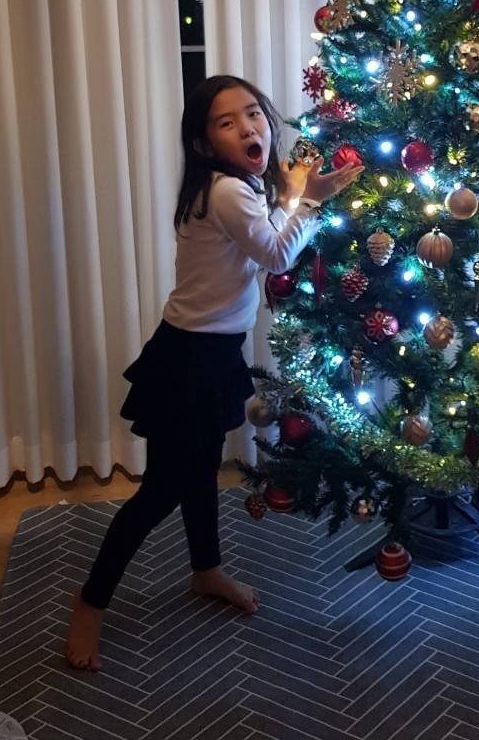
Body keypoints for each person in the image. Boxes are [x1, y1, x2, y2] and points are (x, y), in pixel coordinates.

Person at [66, 75, 361, 671]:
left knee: (200, 470)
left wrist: (296, 196)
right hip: (189, 360)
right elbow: (276, 253)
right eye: (227, 122)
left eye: (253, 114)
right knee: (161, 491)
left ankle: (206, 571)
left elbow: (263, 235)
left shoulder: (235, 186)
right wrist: (307, 200)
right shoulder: (227, 191)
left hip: (207, 352)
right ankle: (89, 604)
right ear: (203, 144)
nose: (249, 127)